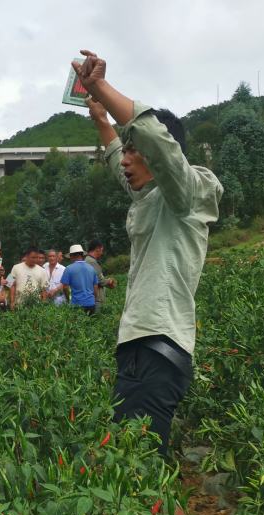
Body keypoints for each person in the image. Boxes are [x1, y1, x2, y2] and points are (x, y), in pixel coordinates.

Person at [73, 50, 221, 456]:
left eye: (135, 150)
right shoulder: (150, 197)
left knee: (139, 466)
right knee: (130, 459)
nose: (127, 159)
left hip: (158, 348)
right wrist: (103, 121)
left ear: (159, 155)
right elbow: (117, 159)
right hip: (140, 345)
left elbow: (156, 141)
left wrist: (101, 85)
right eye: (127, 151)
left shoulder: (188, 193)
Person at [60, 244, 100, 315]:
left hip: (76, 304)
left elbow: (65, 287)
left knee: (78, 325)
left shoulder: (69, 269)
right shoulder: (91, 268)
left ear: (71, 256)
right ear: (82, 255)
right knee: (91, 324)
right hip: (91, 303)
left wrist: (68, 299)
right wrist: (94, 299)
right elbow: (95, 286)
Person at [84, 240, 116, 306]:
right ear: (97, 249)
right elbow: (99, 281)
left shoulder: (87, 260)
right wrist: (110, 281)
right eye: (101, 250)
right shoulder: (92, 262)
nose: (102, 253)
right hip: (96, 298)